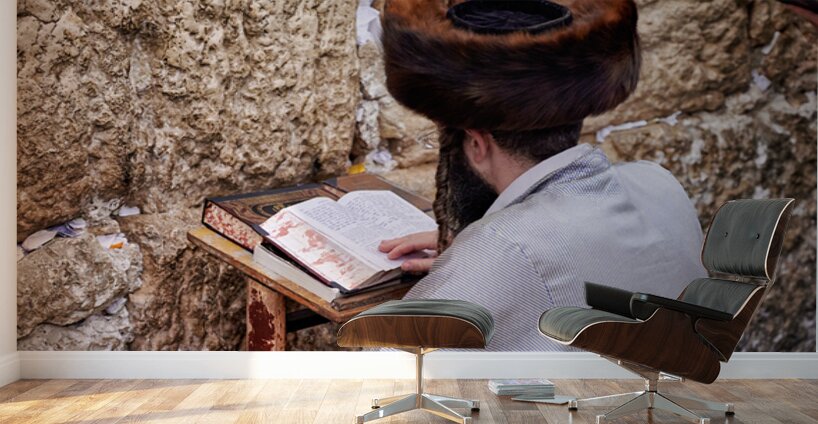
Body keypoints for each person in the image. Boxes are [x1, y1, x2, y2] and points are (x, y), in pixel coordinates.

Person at [376, 0, 706, 351]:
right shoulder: (659, 182)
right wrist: (472, 267)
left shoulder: (499, 251)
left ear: (476, 143)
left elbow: (390, 376)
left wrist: (472, 266)